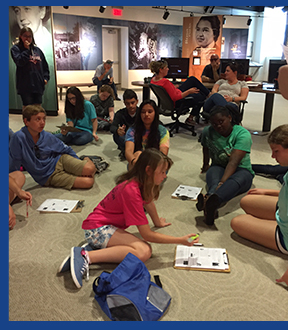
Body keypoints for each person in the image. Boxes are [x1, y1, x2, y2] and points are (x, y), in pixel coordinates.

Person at [58, 148, 200, 288]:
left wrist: (157, 222)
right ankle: (86, 256)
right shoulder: (131, 191)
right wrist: (180, 240)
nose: (165, 176)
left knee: (139, 248)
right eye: (162, 172)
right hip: (98, 229)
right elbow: (147, 235)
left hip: (103, 226)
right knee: (144, 251)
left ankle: (96, 248)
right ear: (148, 170)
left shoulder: (141, 182)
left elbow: (149, 202)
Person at [230, 124, 288, 294]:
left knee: (237, 222)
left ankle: (283, 243)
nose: (273, 156)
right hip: (284, 210)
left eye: (276, 151)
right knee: (247, 201)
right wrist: (268, 191)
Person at [9, 105, 97, 190]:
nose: (42, 122)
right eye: (38, 119)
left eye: (44, 119)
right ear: (26, 121)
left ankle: (86, 158)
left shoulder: (47, 136)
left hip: (59, 160)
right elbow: (14, 163)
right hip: (48, 176)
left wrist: (77, 162)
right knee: (88, 182)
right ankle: (81, 166)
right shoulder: (18, 138)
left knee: (90, 169)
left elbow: (66, 149)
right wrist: (15, 187)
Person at [196, 105, 254, 225]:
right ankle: (211, 202)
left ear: (229, 118)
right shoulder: (208, 131)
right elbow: (205, 147)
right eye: (214, 124)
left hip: (241, 170)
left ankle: (212, 201)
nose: (218, 126)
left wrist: (221, 183)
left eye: (221, 122)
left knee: (233, 182)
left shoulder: (243, 134)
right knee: (213, 178)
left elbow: (233, 162)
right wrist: (205, 164)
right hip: (218, 165)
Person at [150, 60, 210, 126]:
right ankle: (190, 118)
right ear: (161, 70)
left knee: (192, 79)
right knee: (201, 96)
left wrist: (173, 87)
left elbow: (167, 91)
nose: (168, 69)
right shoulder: (165, 82)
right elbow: (175, 97)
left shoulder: (153, 80)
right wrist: (189, 91)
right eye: (166, 67)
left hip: (174, 95)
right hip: (179, 101)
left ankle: (208, 94)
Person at [10, 26, 49, 109]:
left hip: (38, 84)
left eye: (29, 36)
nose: (27, 38)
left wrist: (45, 78)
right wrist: (27, 50)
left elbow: (45, 66)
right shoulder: (16, 49)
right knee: (28, 109)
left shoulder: (37, 50)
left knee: (38, 108)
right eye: (25, 36)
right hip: (25, 85)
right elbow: (19, 62)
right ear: (21, 36)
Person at [125, 99, 170, 170]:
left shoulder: (162, 131)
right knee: (139, 153)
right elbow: (128, 151)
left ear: (155, 113)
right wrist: (134, 161)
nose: (146, 115)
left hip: (155, 163)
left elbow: (163, 153)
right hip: (137, 162)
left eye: (150, 112)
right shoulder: (132, 130)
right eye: (143, 112)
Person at [189, 16, 221, 80]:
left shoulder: (218, 51)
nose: (200, 34)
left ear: (214, 33)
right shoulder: (193, 53)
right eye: (198, 29)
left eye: (205, 30)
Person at [110, 89, 138, 159]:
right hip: (126, 137)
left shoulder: (142, 112)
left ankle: (127, 150)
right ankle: (130, 150)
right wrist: (117, 130)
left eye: (133, 102)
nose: (131, 106)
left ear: (137, 102)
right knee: (116, 136)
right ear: (124, 103)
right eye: (128, 103)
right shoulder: (120, 113)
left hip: (139, 137)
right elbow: (112, 127)